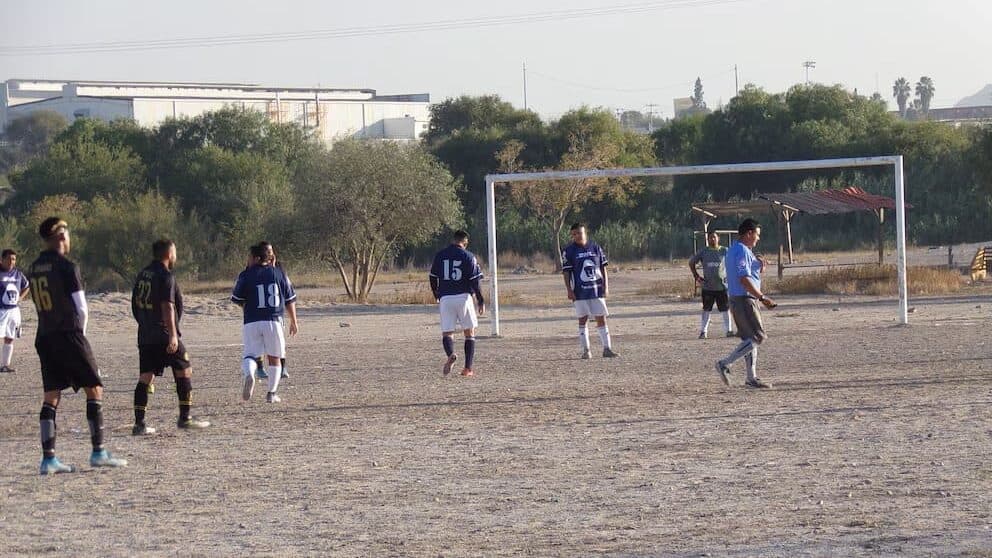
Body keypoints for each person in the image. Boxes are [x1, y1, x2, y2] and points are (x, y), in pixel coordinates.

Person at [28, 217, 127, 474]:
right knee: (94, 388)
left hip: (44, 335)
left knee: (51, 395)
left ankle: (48, 459)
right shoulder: (67, 267)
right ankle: (98, 452)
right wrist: (81, 337)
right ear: (61, 236)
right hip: (68, 334)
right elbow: (81, 308)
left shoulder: (34, 267)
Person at [130, 239, 210, 435]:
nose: (176, 256)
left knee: (146, 377)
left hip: (145, 335)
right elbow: (168, 306)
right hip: (164, 335)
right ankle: (185, 418)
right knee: (184, 370)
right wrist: (173, 335)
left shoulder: (143, 274)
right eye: (174, 252)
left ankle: (139, 424)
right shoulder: (165, 276)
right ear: (168, 254)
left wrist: (144, 325)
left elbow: (135, 305)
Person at [232, 243, 298, 402]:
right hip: (274, 321)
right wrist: (294, 321)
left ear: (256, 258)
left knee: (250, 355)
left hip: (251, 321)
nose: (247, 260)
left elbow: (237, 298)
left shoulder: (245, 275)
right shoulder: (279, 273)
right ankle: (271, 393)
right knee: (275, 358)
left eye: (249, 257)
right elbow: (289, 299)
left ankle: (250, 374)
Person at [715, 218, 777, 389]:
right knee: (758, 337)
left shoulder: (735, 249)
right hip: (744, 299)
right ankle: (724, 363)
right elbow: (744, 278)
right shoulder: (742, 251)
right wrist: (762, 297)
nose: (758, 238)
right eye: (757, 234)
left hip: (738, 298)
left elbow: (747, 272)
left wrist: (759, 265)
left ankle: (751, 377)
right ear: (749, 233)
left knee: (749, 339)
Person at [429, 230, 485, 377]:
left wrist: (436, 294)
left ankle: (451, 354)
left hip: (446, 298)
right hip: (464, 297)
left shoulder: (440, 255)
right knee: (469, 332)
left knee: (447, 332)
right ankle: (467, 369)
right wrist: (480, 300)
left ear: (453, 240)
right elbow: (475, 281)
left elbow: (433, 277)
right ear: (465, 242)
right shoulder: (469, 256)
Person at [561, 223, 618, 359]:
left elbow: (603, 268)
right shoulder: (569, 251)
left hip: (596, 290)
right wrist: (569, 290)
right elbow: (566, 272)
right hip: (579, 292)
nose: (577, 236)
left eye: (579, 233)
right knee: (583, 319)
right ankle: (586, 351)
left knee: (601, 318)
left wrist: (606, 286)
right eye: (574, 234)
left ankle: (607, 349)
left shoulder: (595, 247)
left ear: (585, 232)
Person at [688, 231, 734, 339]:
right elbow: (691, 262)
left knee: (725, 309)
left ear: (718, 238)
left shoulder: (725, 251)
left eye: (714, 237)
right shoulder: (704, 251)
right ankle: (703, 331)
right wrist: (696, 276)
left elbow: (734, 263)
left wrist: (731, 276)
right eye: (710, 237)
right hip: (708, 287)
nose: (712, 239)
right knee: (706, 309)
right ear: (708, 239)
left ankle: (729, 330)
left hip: (722, 286)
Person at [0, 249, 30, 373]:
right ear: (2, 260)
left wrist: (20, 298)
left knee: (10, 336)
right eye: (8, 259)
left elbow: (27, 286)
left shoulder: (18, 274)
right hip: (1, 310)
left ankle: (5, 365)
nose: (11, 261)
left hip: (13, 311)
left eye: (13, 259)